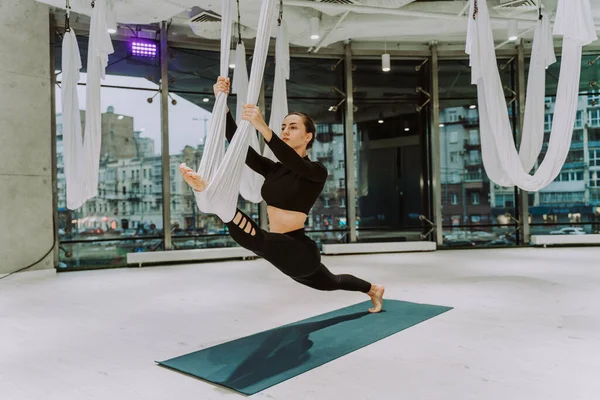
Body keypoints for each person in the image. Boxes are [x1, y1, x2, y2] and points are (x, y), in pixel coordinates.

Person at [179, 76, 384, 313]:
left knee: (257, 240)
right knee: (333, 282)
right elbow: (240, 149)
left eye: (293, 127)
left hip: (300, 251)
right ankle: (374, 289)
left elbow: (292, 160)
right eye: (283, 127)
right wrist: (221, 105)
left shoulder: (316, 171)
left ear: (308, 137)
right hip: (281, 252)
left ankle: (213, 198)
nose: (285, 131)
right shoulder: (274, 169)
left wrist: (263, 127)